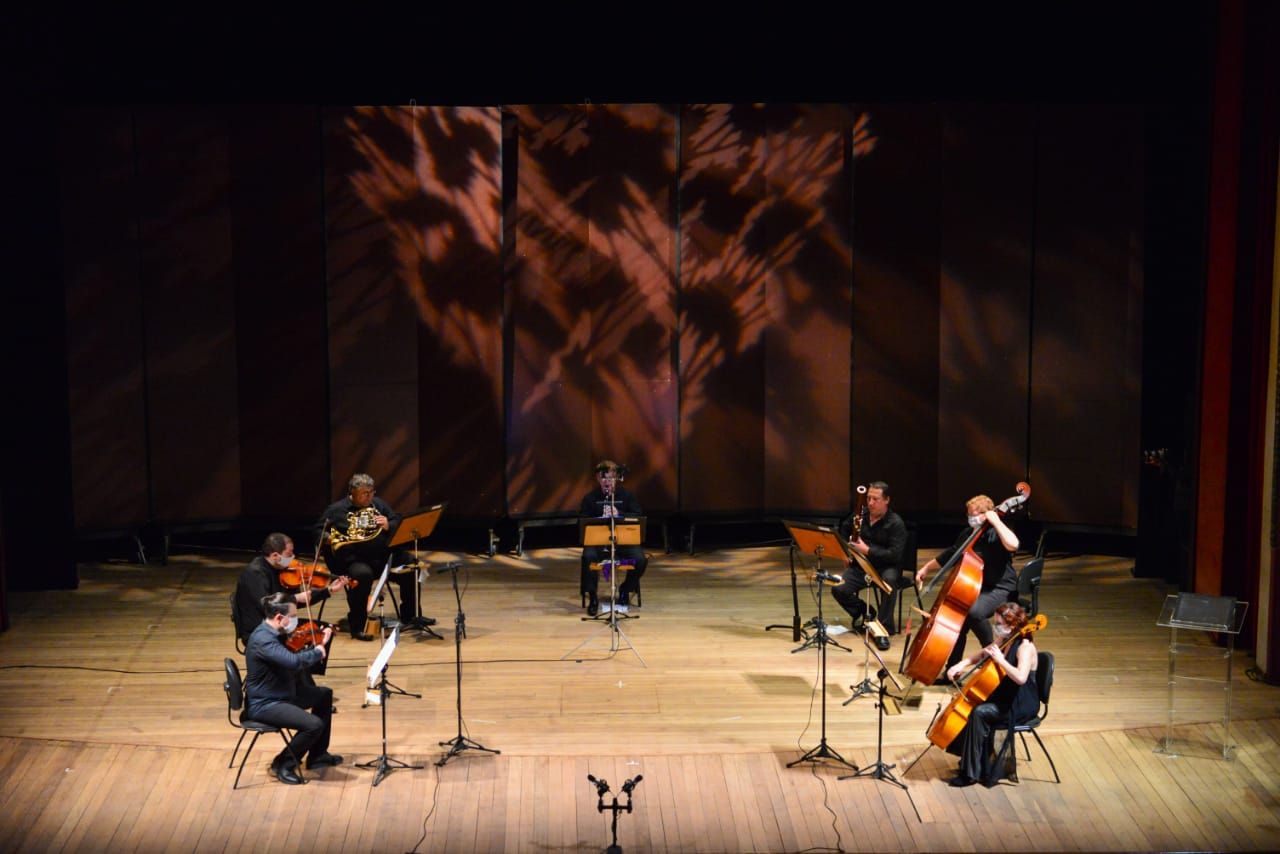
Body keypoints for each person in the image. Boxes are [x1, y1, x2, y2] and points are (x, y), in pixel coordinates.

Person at [915, 494, 1020, 674]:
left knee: (973, 612)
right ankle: (952, 669)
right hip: (979, 587)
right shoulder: (967, 534)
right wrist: (925, 569)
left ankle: (992, 653)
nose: (971, 518)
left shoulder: (996, 533)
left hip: (1001, 588)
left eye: (975, 514)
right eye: (969, 514)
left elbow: (1013, 545)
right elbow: (950, 555)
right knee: (959, 619)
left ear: (987, 514)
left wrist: (996, 521)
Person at [317, 473, 429, 640]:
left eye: (371, 492)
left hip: (382, 557)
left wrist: (388, 524)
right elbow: (317, 531)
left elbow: (396, 520)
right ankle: (358, 626)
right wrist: (327, 538)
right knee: (362, 575)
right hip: (355, 560)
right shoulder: (336, 510)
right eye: (364, 493)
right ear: (352, 492)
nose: (369, 497)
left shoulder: (378, 504)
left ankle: (411, 616)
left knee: (412, 565)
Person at [244, 593, 342, 784]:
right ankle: (282, 763)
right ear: (279, 617)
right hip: (266, 704)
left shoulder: (275, 634)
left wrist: (316, 645)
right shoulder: (263, 640)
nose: (296, 620)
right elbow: (294, 662)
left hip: (283, 693)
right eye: (293, 616)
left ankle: (318, 755)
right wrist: (318, 651)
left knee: (324, 695)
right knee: (313, 725)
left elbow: (292, 658)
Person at [942, 601, 1039, 787]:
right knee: (973, 703)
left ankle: (970, 774)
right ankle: (971, 762)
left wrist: (1001, 660)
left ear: (1012, 625)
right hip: (1007, 695)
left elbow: (1021, 678)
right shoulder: (1005, 639)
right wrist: (961, 664)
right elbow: (983, 654)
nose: (995, 627)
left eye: (999, 624)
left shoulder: (1025, 647)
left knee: (979, 712)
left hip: (1020, 702)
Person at [232, 532, 348, 646]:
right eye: (289, 554)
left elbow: (298, 601)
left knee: (324, 629)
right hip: (260, 630)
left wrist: (329, 590)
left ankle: (310, 658)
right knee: (314, 634)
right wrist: (295, 598)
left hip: (279, 623)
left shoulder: (282, 570)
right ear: (275, 556)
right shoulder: (255, 573)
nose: (293, 557)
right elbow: (266, 606)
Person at [831, 481, 908, 649]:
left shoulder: (896, 523)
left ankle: (882, 630)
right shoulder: (861, 514)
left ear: (886, 500)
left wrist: (868, 550)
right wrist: (845, 552)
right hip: (861, 565)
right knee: (838, 588)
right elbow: (843, 530)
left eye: (875, 499)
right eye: (868, 498)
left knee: (889, 584)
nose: (870, 503)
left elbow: (894, 555)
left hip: (886, 567)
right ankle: (867, 613)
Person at [579, 460, 647, 616]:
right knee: (588, 557)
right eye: (603, 478)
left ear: (616, 478)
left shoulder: (627, 496)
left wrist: (619, 514)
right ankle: (593, 597)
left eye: (610, 478)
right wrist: (600, 517)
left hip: (623, 542)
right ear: (598, 478)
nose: (607, 481)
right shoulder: (590, 498)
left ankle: (625, 589)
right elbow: (582, 521)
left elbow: (637, 516)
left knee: (640, 560)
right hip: (598, 542)